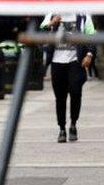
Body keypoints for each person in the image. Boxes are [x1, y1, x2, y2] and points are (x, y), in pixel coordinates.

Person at [40, 13, 95, 143]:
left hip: (76, 61)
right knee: (60, 97)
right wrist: (52, 23)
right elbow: (40, 31)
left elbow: (92, 36)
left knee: (76, 93)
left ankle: (73, 124)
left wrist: (89, 54)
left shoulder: (83, 15)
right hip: (56, 61)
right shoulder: (52, 13)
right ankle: (62, 128)